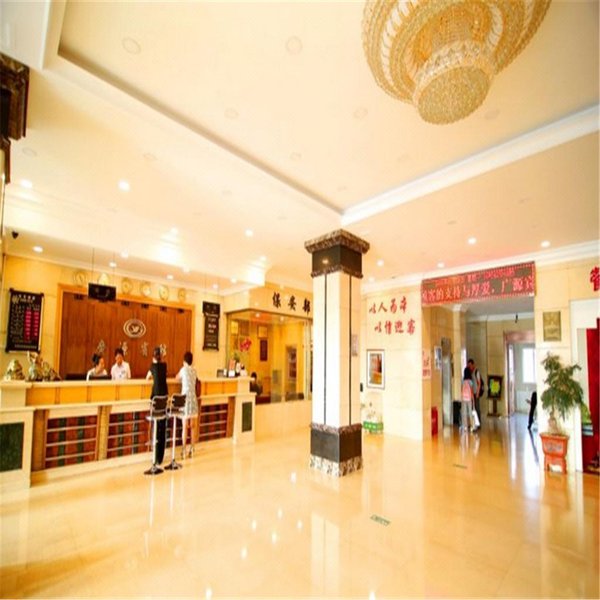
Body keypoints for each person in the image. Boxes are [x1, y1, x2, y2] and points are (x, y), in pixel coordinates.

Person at [146, 347, 168, 464]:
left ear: (153, 357)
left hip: (155, 401)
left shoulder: (152, 367)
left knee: (156, 426)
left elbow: (147, 378)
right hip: (164, 399)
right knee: (162, 426)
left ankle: (155, 456)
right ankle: (160, 457)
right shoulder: (164, 366)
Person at [176, 351, 198, 458]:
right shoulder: (194, 370)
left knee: (185, 426)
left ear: (184, 361)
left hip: (185, 399)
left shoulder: (183, 370)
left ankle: (184, 450)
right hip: (193, 399)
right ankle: (192, 449)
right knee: (193, 426)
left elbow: (177, 378)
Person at [468, 358, 483, 431]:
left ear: (473, 365)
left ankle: (478, 423)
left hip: (476, 392)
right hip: (471, 393)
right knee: (472, 408)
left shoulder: (476, 372)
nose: (469, 367)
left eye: (470, 365)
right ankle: (474, 423)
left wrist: (477, 392)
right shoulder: (470, 372)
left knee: (477, 408)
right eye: (468, 366)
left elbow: (479, 383)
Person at [461, 365, 474, 433]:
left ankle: (465, 426)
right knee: (470, 412)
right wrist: (472, 398)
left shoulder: (463, 381)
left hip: (464, 398)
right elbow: (471, 390)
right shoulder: (470, 381)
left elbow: (461, 389)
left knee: (464, 412)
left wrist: (462, 397)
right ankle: (472, 426)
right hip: (469, 398)